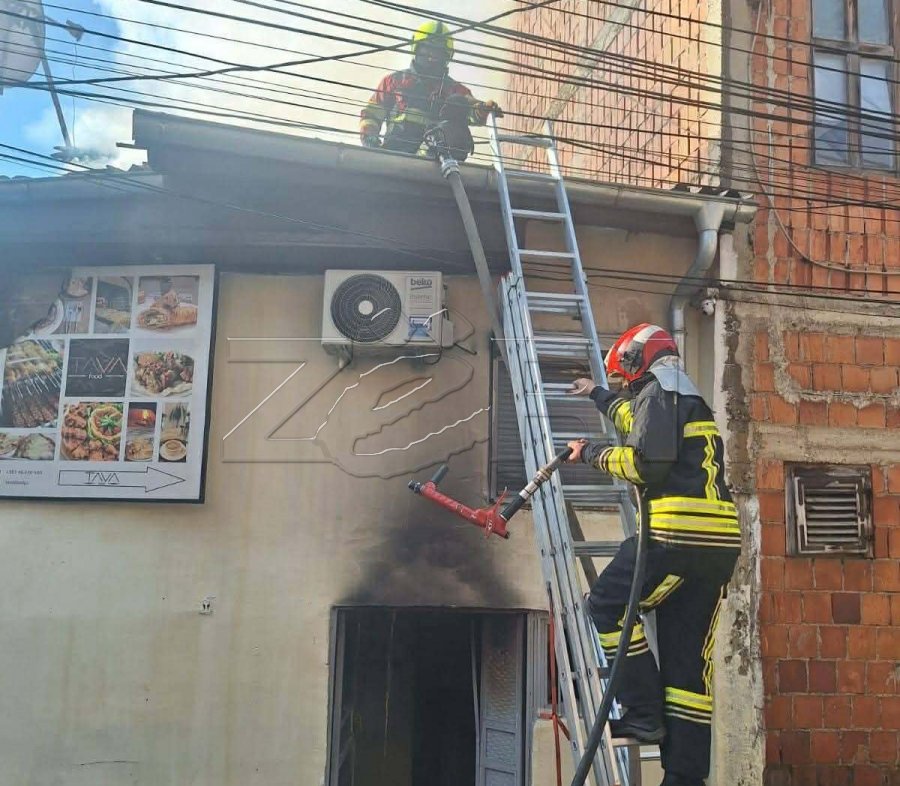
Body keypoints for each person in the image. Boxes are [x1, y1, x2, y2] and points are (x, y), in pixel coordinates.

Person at [565, 323, 740, 786]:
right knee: (687, 665)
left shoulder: (659, 393)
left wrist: (591, 454)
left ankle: (642, 709)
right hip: (716, 548)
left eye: (623, 374)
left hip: (675, 537)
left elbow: (646, 462)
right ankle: (684, 776)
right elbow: (638, 422)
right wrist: (597, 395)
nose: (625, 383)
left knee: (605, 604)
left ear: (636, 359)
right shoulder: (680, 395)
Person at [359, 20, 502, 161]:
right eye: (427, 49)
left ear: (446, 56)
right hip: (394, 156)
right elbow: (371, 115)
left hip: (433, 161)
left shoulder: (453, 90)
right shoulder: (394, 81)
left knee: (457, 104)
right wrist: (372, 144)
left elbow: (470, 109)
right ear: (416, 48)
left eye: (438, 53)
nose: (431, 57)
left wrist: (483, 109)